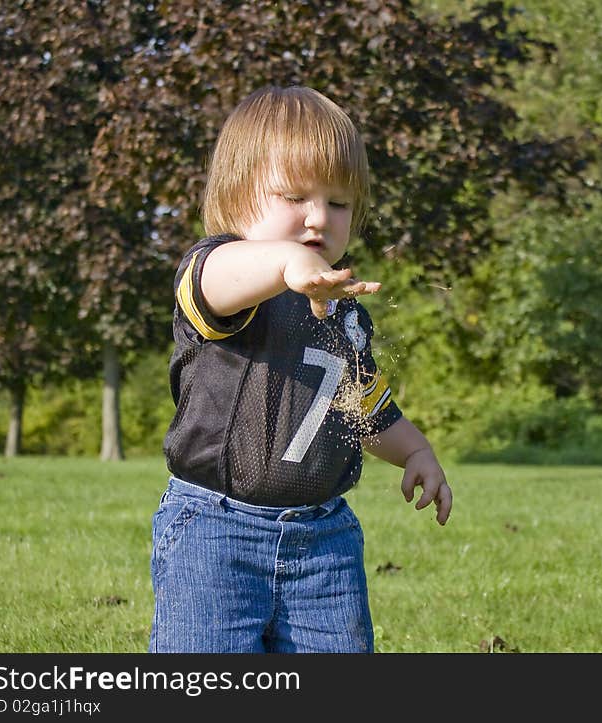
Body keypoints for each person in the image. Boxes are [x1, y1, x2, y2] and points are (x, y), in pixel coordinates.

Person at [149, 85, 452, 653]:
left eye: (338, 204)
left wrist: (415, 451)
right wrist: (286, 263)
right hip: (216, 532)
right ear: (238, 200)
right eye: (294, 196)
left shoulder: (345, 311)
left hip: (324, 540)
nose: (318, 219)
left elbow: (365, 409)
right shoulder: (224, 277)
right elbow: (218, 275)